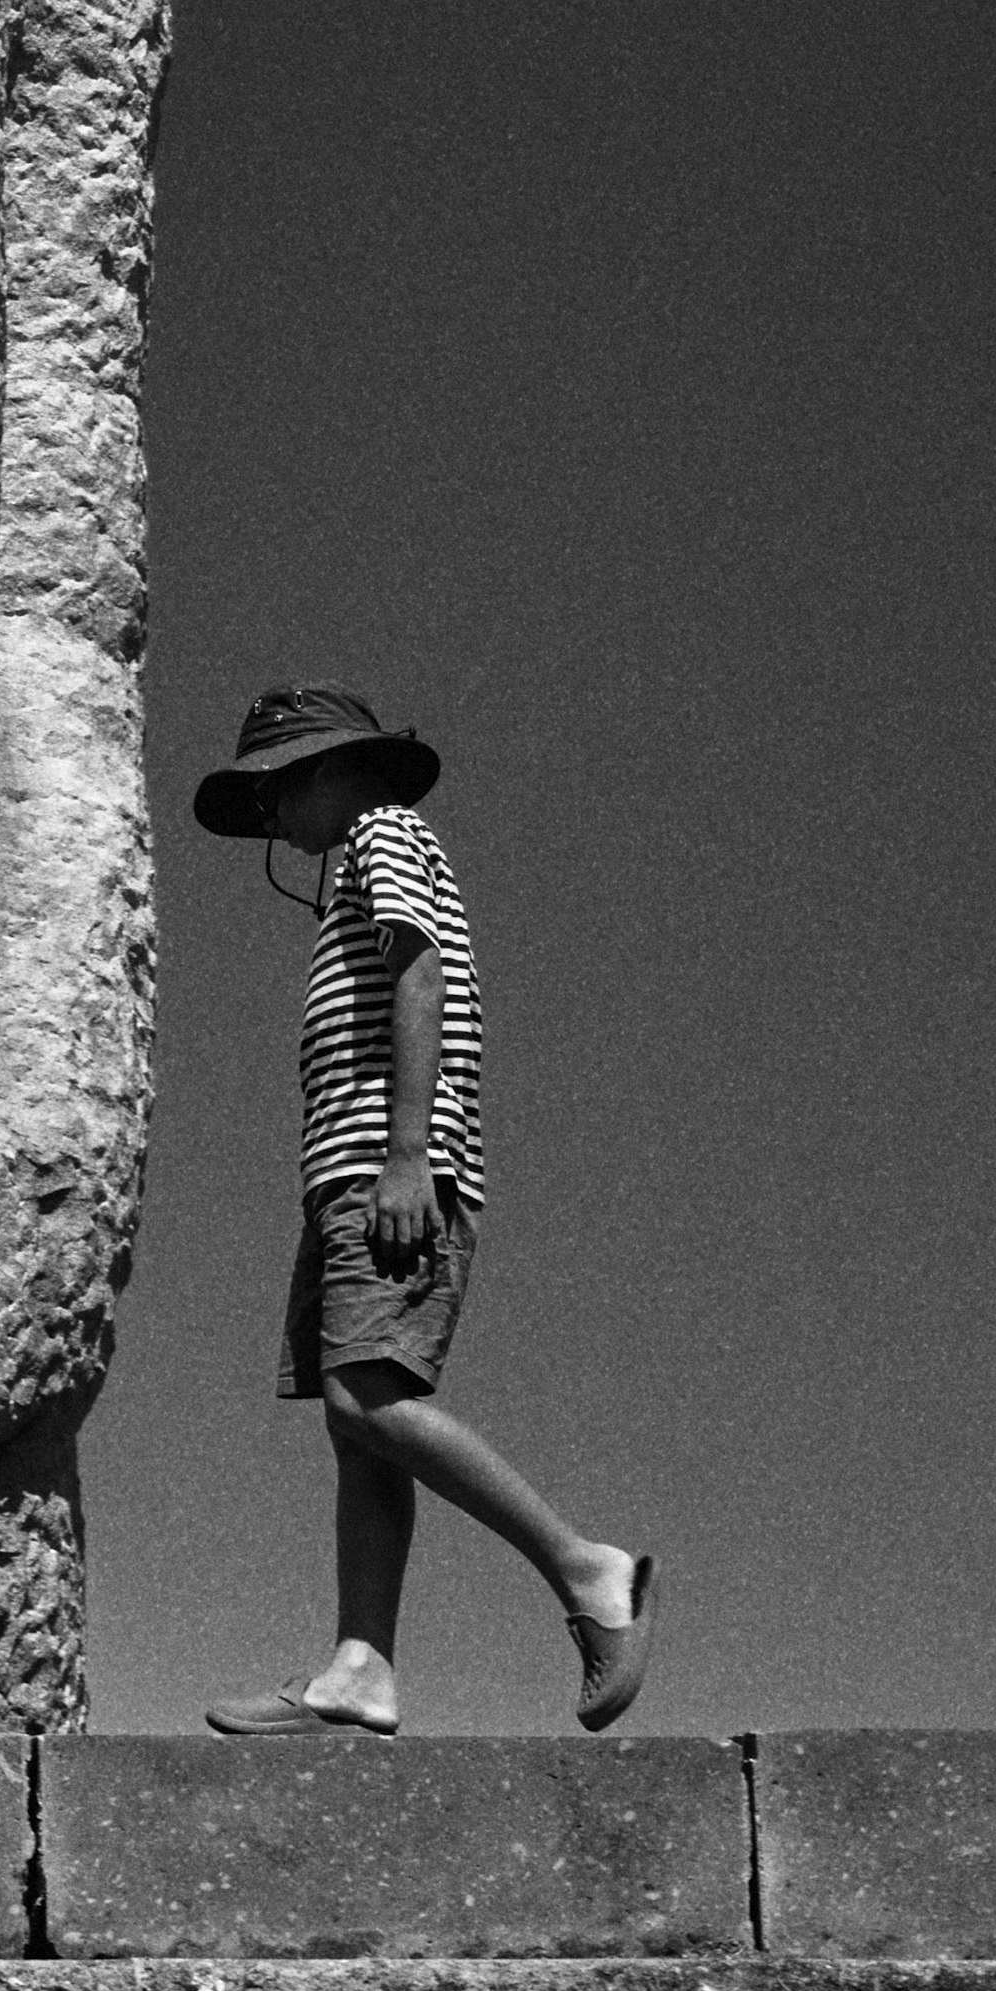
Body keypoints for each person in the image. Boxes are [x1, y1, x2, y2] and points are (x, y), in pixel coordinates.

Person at [192, 685, 652, 1737]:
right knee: (360, 1431)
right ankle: (362, 1664)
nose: (272, 826)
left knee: (366, 1402)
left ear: (317, 772)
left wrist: (406, 1158)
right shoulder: (366, 848)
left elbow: (420, 966)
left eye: (271, 798)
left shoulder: (382, 833)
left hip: (386, 1170)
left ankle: (587, 1568)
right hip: (349, 1175)